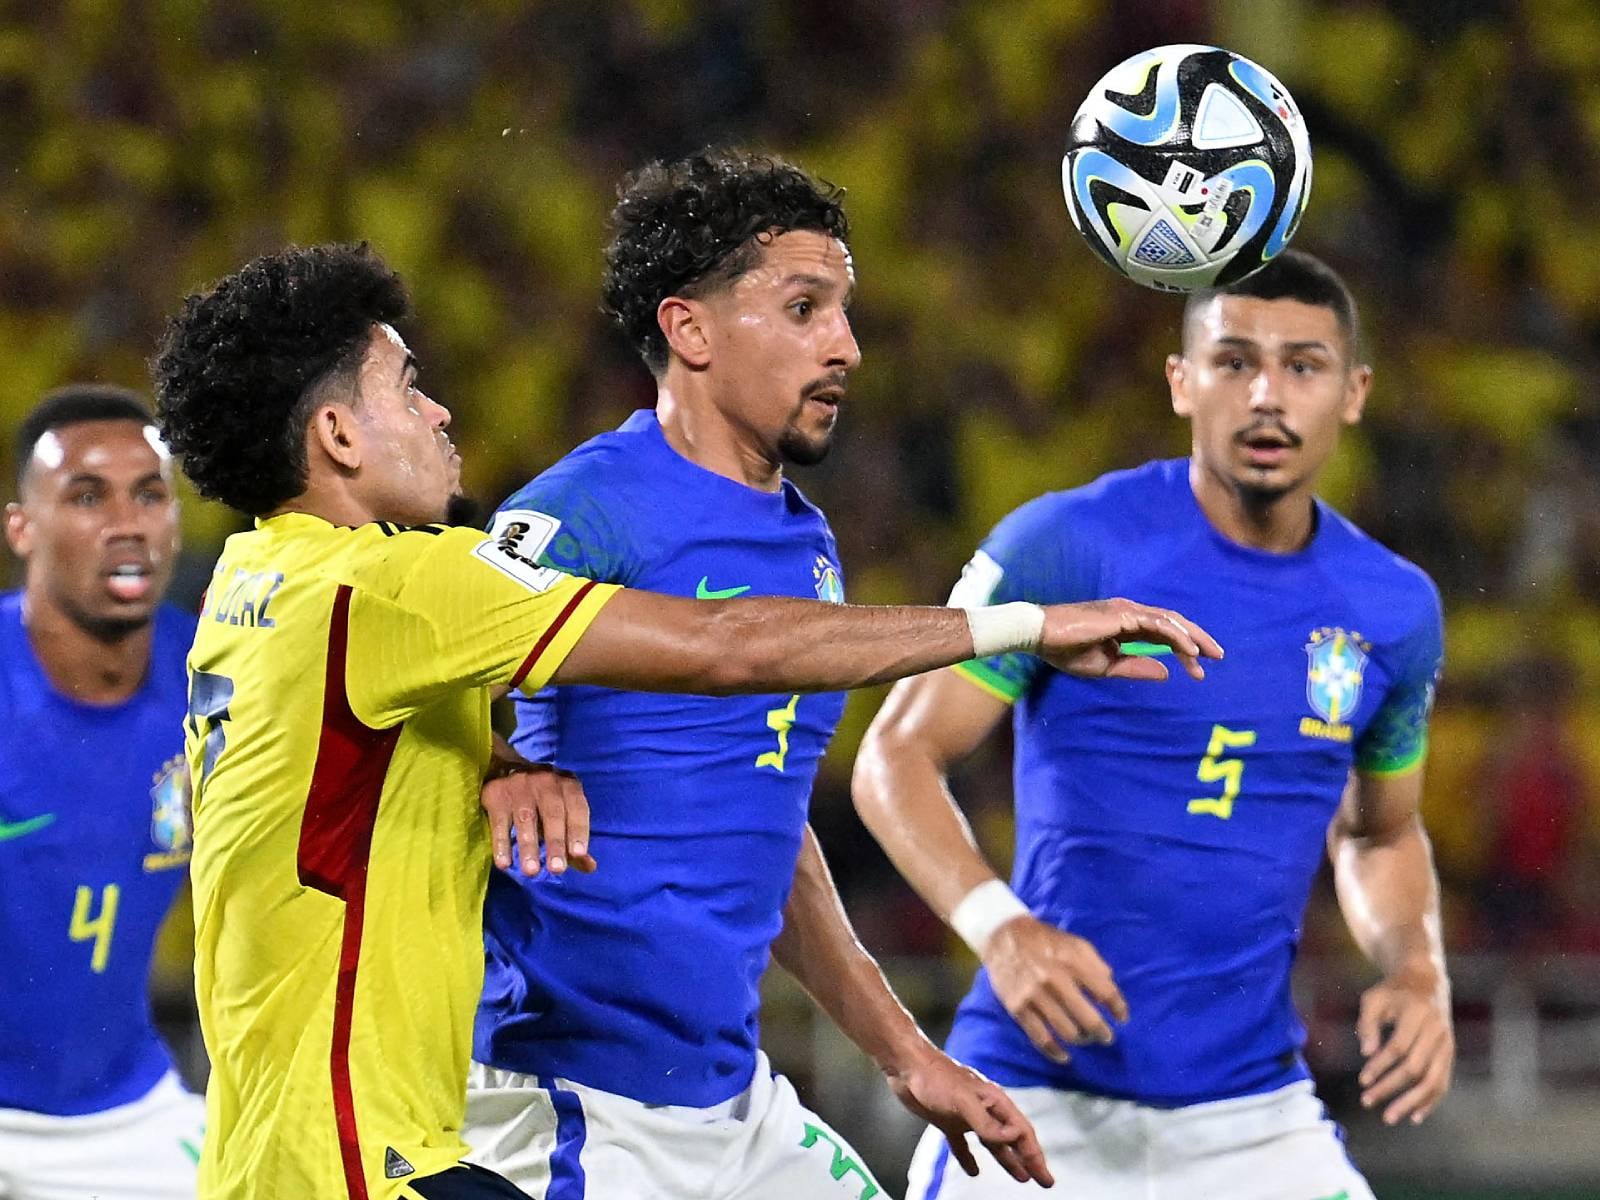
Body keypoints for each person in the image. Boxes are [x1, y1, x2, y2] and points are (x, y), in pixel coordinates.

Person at [150, 241, 1222, 1200]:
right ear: (335, 433)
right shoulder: (399, 586)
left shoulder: (251, 590)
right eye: (407, 386)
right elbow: (729, 648)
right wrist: (1023, 625)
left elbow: (347, 758)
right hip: (364, 1161)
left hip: (303, 1148)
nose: (438, 413)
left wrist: (498, 752)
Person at [465, 147, 1037, 1200]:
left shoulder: (806, 545)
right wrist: (495, 756)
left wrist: (910, 1057)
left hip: (737, 1105)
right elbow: (424, 671)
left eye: (846, 312)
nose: (848, 349)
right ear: (689, 330)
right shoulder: (576, 509)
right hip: (574, 1098)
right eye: (806, 308)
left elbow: (768, 830)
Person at [854, 250, 1454, 1200]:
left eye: (1303, 366)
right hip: (1036, 1098)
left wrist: (1417, 968)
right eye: (1233, 362)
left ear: (1354, 392)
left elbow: (1380, 831)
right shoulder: (1067, 544)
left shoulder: (1394, 609)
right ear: (1181, 382)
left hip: (1254, 1119)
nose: (1268, 396)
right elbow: (896, 754)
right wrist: (999, 929)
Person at [0, 386, 206, 1197]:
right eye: (88, 496)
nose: (127, 522)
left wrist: (500, 765)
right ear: (23, 527)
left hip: (126, 1121)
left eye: (149, 494)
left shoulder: (222, 677)